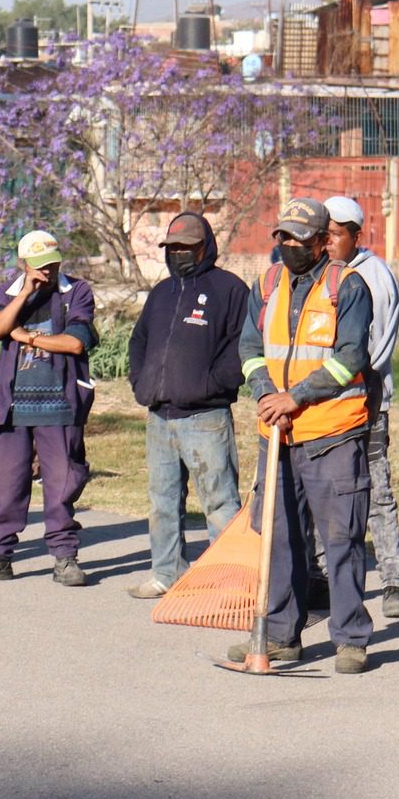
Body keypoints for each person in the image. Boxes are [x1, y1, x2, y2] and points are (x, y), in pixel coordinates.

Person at [231, 197, 375, 674]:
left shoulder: (347, 286)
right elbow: (250, 347)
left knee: (342, 538)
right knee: (279, 539)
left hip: (332, 434)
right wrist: (267, 393)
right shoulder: (267, 283)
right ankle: (278, 636)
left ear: (321, 241)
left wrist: (298, 396)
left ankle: (351, 638)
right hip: (275, 433)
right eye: (282, 237)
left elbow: (351, 356)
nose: (288, 245)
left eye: (298, 238)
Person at [0, 230, 98, 585]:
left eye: (51, 265)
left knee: (62, 483)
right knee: (5, 485)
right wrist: (24, 293)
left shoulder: (77, 292)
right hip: (11, 407)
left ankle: (65, 557)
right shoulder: (9, 293)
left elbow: (75, 343)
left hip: (61, 405)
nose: (46, 273)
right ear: (23, 265)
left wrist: (27, 337)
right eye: (38, 267)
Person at [125, 212, 248, 599]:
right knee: (162, 502)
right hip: (160, 417)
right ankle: (167, 572)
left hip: (206, 418)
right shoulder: (161, 293)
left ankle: (229, 582)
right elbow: (138, 343)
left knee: (220, 503)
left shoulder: (229, 289)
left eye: (186, 247)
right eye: (172, 247)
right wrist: (141, 383)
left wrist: (211, 385)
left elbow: (242, 348)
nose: (177, 254)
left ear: (204, 247)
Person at [321, 196, 399, 619]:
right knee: (327, 491)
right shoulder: (318, 272)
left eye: (338, 234)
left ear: (357, 236)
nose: (329, 242)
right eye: (325, 233)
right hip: (323, 404)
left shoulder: (374, 277)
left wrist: (352, 385)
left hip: (366, 401)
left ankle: (393, 581)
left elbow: (376, 349)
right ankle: (322, 576)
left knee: (377, 491)